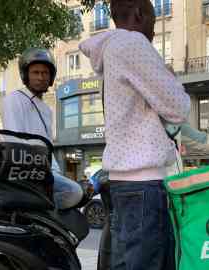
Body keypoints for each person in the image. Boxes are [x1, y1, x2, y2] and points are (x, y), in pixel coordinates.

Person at [79, 0, 191, 269]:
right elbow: (178, 108)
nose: (153, 28)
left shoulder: (111, 50)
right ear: (140, 14)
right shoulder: (132, 44)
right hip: (144, 184)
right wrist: (168, 78)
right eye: (154, 18)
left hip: (124, 184)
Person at [1, 48, 84, 210]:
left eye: (45, 73)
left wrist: (57, 173)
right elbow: (14, 141)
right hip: (27, 170)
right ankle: (39, 215)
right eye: (35, 72)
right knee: (73, 191)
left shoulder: (46, 109)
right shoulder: (13, 100)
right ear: (26, 75)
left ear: (51, 77)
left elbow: (47, 147)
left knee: (79, 193)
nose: (40, 77)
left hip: (46, 170)